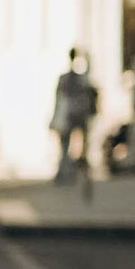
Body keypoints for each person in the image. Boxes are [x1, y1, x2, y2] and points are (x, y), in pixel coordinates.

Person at [49, 51, 98, 190]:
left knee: (70, 146)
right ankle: (65, 171)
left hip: (74, 115)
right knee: (66, 146)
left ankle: (68, 171)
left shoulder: (74, 79)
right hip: (71, 115)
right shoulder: (76, 80)